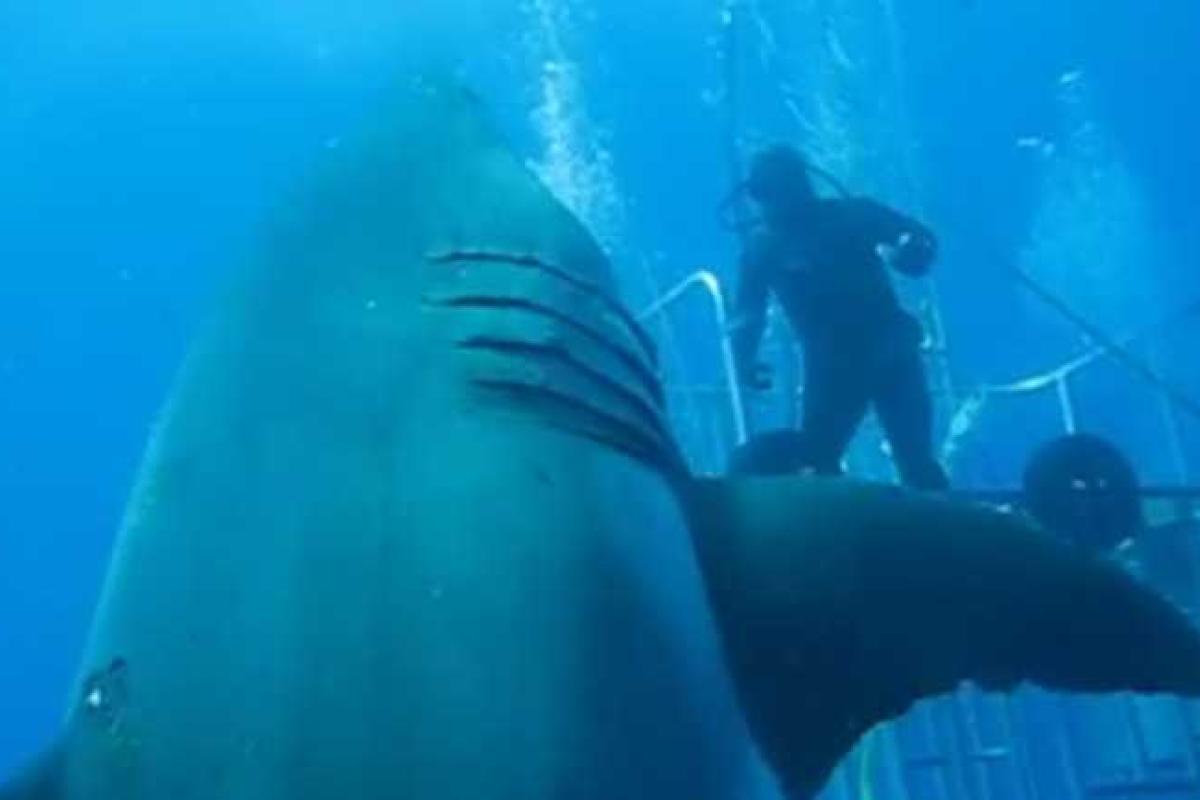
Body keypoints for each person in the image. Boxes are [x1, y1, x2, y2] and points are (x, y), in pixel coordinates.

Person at [729, 144, 949, 490]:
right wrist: (743, 358)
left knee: (894, 459)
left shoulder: (849, 216)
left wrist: (906, 250)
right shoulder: (767, 245)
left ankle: (924, 525)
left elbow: (920, 242)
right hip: (850, 359)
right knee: (826, 457)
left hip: (874, 355)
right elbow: (748, 314)